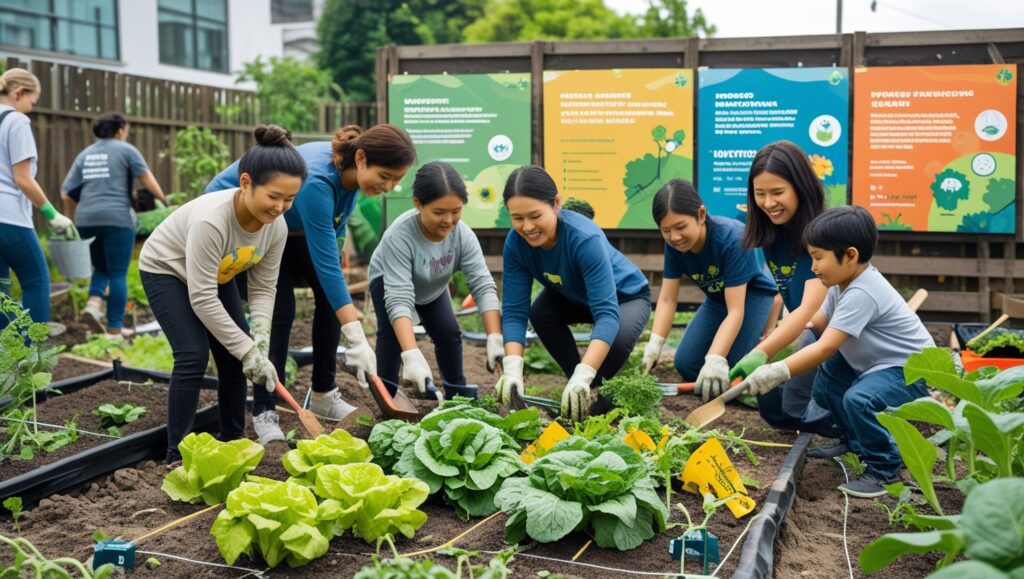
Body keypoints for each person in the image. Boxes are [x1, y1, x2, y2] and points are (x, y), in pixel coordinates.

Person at [205, 124, 415, 444]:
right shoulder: (317, 181)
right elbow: (328, 265)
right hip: (239, 222)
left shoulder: (351, 176)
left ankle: (323, 394)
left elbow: (334, 238)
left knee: (331, 299)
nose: (388, 186)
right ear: (361, 158)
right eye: (385, 176)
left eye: (396, 181)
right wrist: (357, 337)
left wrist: (347, 319)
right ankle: (265, 408)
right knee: (281, 307)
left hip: (284, 225)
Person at [139, 125, 305, 464]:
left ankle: (232, 440)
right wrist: (247, 349)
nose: (280, 207)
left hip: (218, 273)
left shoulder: (278, 227)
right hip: (167, 269)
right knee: (192, 354)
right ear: (246, 183)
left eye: (289, 199)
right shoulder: (212, 221)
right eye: (273, 196)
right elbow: (201, 298)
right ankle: (177, 454)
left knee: (234, 357)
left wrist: (258, 341)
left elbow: (262, 287)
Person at [741, 205, 933, 497]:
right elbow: (817, 322)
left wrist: (780, 370)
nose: (814, 266)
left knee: (860, 400)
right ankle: (852, 440)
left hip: (910, 370)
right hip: (878, 365)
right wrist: (785, 333)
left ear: (851, 255)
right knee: (828, 382)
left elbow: (827, 345)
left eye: (818, 258)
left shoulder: (863, 291)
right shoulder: (840, 284)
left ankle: (885, 470)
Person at [495, 165, 650, 422]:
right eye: (517, 218)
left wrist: (586, 373)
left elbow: (607, 314)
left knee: (617, 339)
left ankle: (596, 392)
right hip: (574, 296)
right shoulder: (516, 244)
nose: (527, 226)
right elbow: (514, 312)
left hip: (626, 297)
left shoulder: (583, 238)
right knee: (540, 313)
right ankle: (576, 388)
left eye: (535, 215)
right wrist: (512, 368)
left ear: (556, 204)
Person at [727, 141, 838, 435]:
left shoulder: (819, 232)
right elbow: (785, 293)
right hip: (813, 330)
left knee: (794, 405)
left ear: (801, 188)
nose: (768, 202)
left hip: (839, 336)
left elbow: (809, 309)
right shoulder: (773, 233)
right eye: (760, 194)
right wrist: (770, 335)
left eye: (778, 193)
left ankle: (843, 416)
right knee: (771, 405)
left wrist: (761, 353)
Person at [368, 161, 502, 393]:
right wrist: (411, 354)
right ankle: (386, 398)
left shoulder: (462, 235)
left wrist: (494, 336)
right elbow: (399, 297)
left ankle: (456, 395)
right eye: (439, 212)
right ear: (418, 204)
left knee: (448, 334)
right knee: (391, 337)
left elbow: (482, 284)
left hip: (432, 286)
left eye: (456, 211)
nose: (448, 220)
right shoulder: (399, 236)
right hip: (387, 281)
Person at [642, 179, 778, 402]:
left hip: (751, 298)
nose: (674, 237)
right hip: (717, 300)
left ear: (701, 215)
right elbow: (667, 299)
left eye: (681, 227)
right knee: (686, 364)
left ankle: (751, 382)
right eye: (666, 230)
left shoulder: (733, 239)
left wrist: (715, 358)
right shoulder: (675, 246)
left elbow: (735, 310)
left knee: (732, 365)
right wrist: (656, 342)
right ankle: (726, 383)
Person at [61, 112, 166, 336]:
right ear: (120, 130)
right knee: (117, 273)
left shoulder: (84, 154)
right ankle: (114, 331)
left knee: (100, 267)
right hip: (118, 219)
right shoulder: (126, 150)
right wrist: (165, 201)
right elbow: (148, 180)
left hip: (86, 220)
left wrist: (71, 219)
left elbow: (66, 194)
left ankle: (93, 304)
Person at [0, 68, 76, 325]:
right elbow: (22, 178)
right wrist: (52, 214)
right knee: (36, 282)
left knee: (1, 292)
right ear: (19, 93)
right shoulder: (16, 120)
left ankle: (6, 360)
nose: (31, 108)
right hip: (9, 218)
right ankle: (34, 360)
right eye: (32, 101)